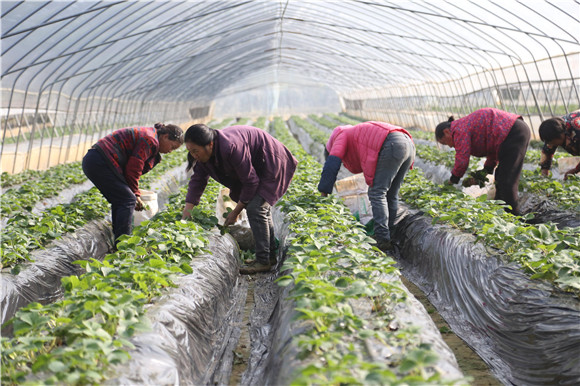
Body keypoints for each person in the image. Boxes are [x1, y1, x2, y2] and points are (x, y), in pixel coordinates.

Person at [181, 124, 297, 274]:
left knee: (256, 208)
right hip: (257, 166)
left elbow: (251, 181)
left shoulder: (230, 147)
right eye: (190, 151)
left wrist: (235, 211)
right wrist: (188, 209)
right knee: (261, 208)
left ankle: (263, 261)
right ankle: (269, 256)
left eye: (195, 151)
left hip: (271, 163)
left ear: (209, 144)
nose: (194, 155)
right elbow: (198, 180)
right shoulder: (205, 155)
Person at [318, 121, 415, 253]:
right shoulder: (352, 133)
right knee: (391, 194)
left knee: (377, 192)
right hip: (407, 143)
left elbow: (332, 164)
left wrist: (324, 191)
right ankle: (390, 234)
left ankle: (382, 238)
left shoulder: (341, 135)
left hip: (392, 144)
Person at [82, 123, 183, 245]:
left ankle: (119, 240)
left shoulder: (152, 136)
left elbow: (132, 169)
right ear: (165, 136)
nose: (170, 151)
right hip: (100, 161)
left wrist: (134, 191)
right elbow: (133, 168)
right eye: (172, 147)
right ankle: (123, 244)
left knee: (122, 199)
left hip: (99, 160)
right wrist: (135, 194)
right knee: (128, 199)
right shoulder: (150, 139)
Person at [435, 107, 531, 215]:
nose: (450, 146)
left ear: (446, 132)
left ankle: (514, 218)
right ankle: (501, 214)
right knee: (500, 178)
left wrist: (453, 180)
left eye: (445, 143)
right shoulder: (462, 126)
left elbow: (462, 160)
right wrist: (484, 173)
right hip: (512, 132)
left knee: (507, 181)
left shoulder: (458, 129)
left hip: (513, 132)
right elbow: (492, 149)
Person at [538, 110, 580, 180]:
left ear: (561, 134)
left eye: (553, 142)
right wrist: (544, 178)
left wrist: (575, 170)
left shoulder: (577, 130)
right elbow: (547, 152)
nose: (551, 144)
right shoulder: (553, 130)